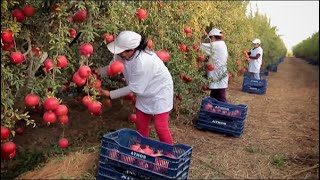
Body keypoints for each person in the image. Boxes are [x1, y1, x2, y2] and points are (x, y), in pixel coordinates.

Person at [96, 31, 174, 145]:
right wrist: (98, 72)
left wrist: (109, 94)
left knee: (160, 126)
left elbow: (134, 89)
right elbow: (112, 67)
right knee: (141, 123)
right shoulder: (123, 55)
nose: (119, 54)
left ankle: (170, 155)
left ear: (131, 50)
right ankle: (143, 151)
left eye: (121, 51)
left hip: (160, 92)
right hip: (143, 91)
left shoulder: (143, 62)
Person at [200, 28, 229, 102]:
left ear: (213, 37)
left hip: (218, 74)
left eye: (210, 38)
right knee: (214, 95)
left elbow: (200, 47)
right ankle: (215, 112)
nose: (210, 40)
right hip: (219, 74)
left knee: (221, 97)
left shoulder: (216, 45)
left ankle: (224, 111)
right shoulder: (222, 44)